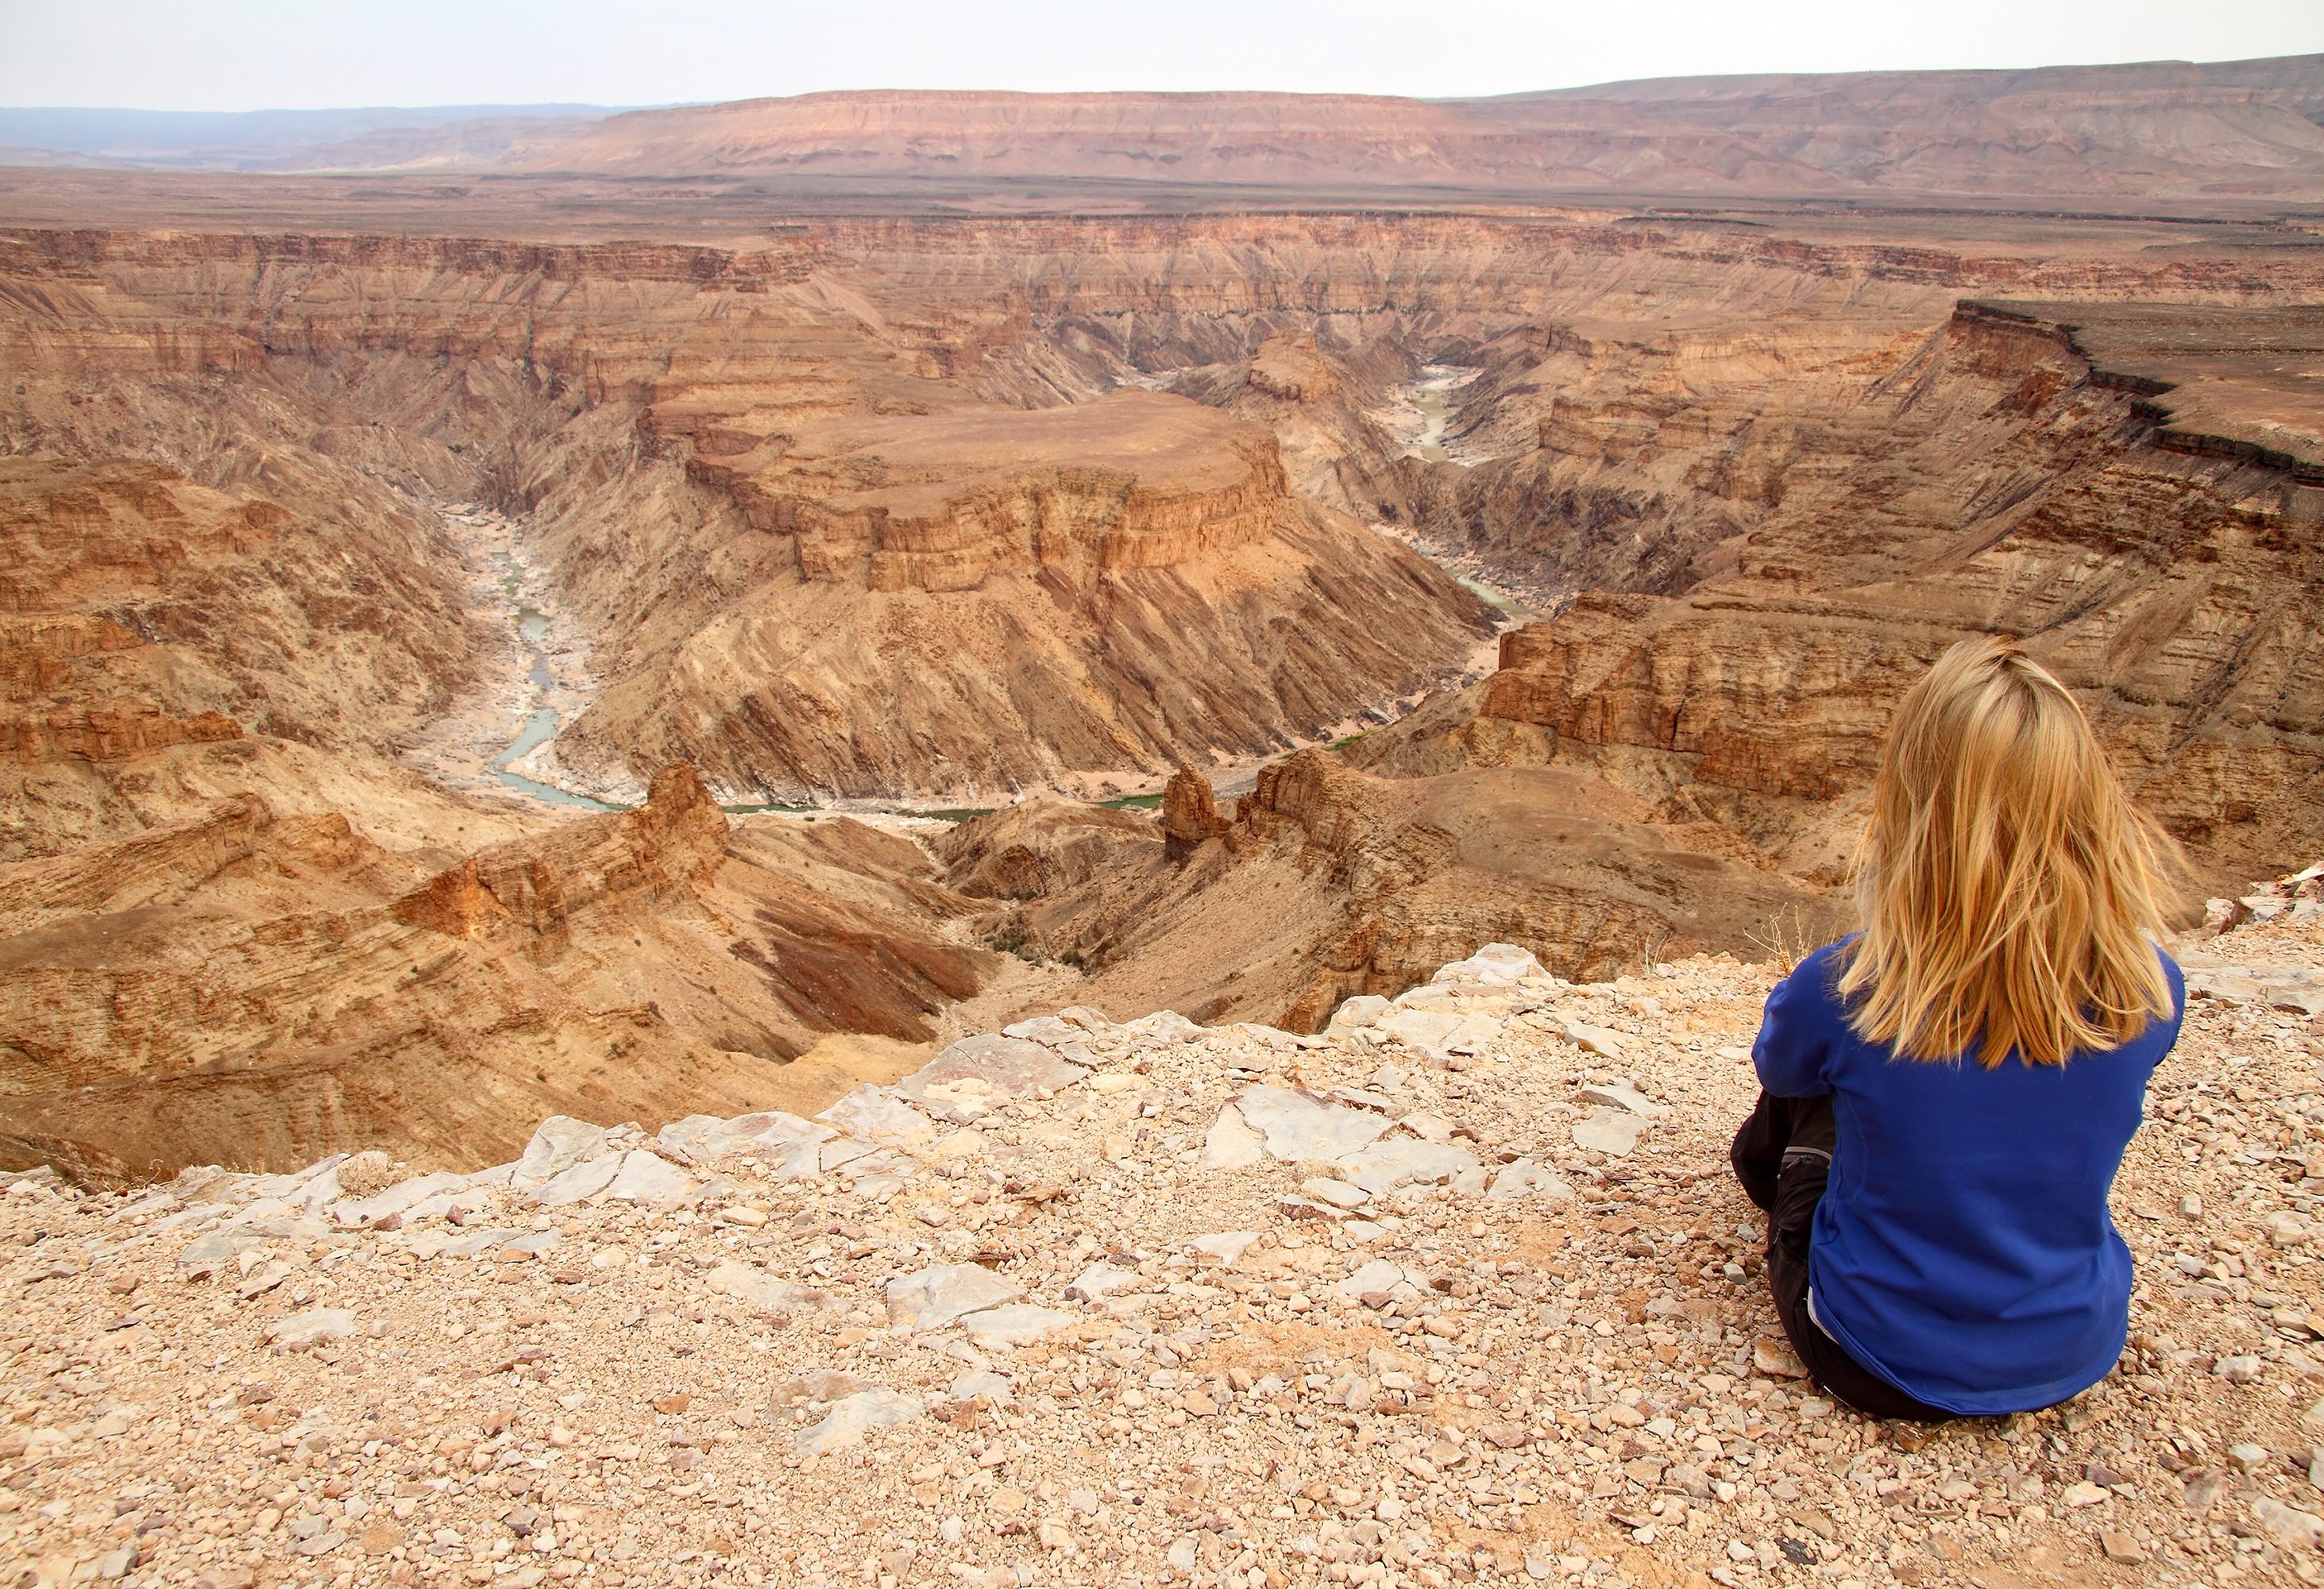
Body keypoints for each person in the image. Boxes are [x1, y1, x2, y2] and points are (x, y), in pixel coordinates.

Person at [1732, 637, 2184, 1420]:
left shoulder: (1851, 988)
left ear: (1916, 805)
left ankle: (1779, 1202)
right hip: (2072, 1348)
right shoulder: (2150, 987)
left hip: (1871, 1355)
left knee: (1814, 1086)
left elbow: (1779, 1070)